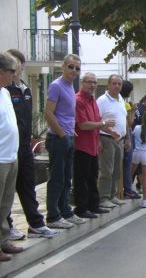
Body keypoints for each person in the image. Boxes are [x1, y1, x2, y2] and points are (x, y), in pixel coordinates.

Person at [5, 49, 57, 239]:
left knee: (27, 186)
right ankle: (7, 227)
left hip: (25, 147)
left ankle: (36, 224)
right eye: (10, 66)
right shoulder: (5, 91)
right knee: (7, 192)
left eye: (16, 64)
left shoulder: (25, 89)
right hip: (8, 148)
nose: (14, 69)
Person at [44, 54, 86, 229]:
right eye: (71, 67)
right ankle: (53, 216)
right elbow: (48, 112)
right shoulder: (56, 86)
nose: (74, 71)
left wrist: (71, 133)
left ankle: (66, 212)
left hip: (68, 137)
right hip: (58, 138)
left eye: (77, 68)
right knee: (57, 178)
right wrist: (62, 134)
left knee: (67, 178)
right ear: (63, 66)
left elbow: (67, 114)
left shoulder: (69, 86)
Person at [73, 73, 116, 218]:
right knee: (82, 179)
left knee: (92, 177)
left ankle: (93, 205)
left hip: (92, 146)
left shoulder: (92, 101)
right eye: (89, 82)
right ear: (82, 83)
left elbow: (97, 122)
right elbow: (83, 125)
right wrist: (104, 124)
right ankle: (82, 209)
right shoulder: (78, 100)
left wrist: (111, 132)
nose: (92, 85)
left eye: (95, 82)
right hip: (81, 146)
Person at [0, 53, 24, 262]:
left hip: (11, 156)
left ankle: (3, 240)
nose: (14, 75)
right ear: (1, 72)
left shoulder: (5, 93)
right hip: (0, 158)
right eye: (12, 71)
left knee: (6, 204)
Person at [97, 74, 130, 208]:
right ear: (108, 85)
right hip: (106, 138)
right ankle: (104, 198)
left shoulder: (121, 99)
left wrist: (127, 137)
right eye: (114, 83)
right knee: (106, 170)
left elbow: (125, 119)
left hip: (119, 140)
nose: (117, 86)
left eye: (119, 84)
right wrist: (98, 140)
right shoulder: (102, 101)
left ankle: (112, 195)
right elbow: (97, 120)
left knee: (117, 170)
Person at [120, 80, 139, 199]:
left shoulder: (119, 101)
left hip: (122, 134)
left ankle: (124, 188)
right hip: (126, 133)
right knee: (127, 163)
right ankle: (127, 188)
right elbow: (130, 122)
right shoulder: (125, 104)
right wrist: (132, 111)